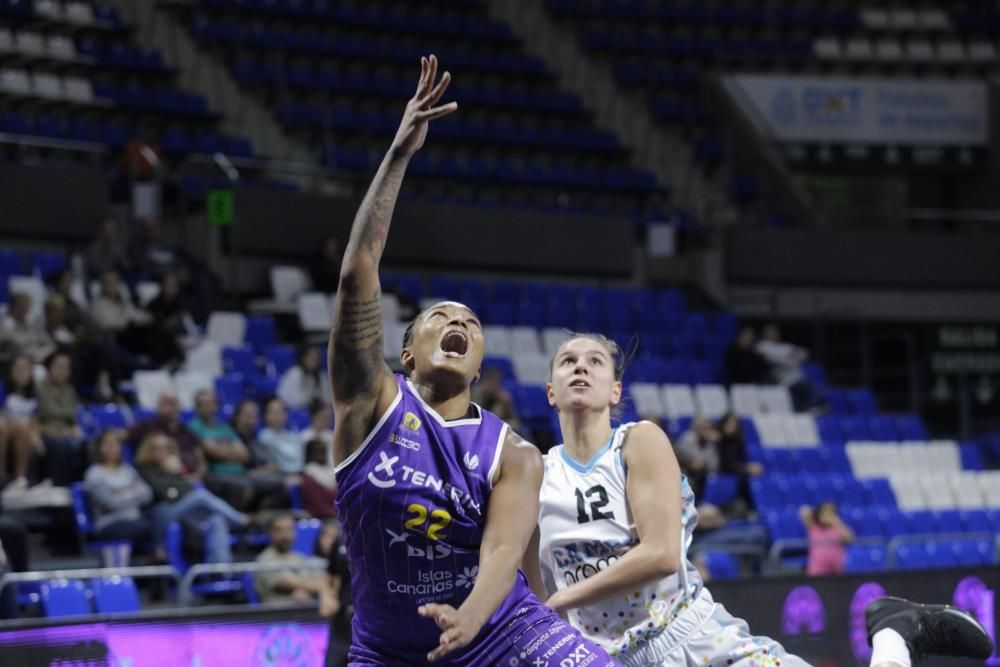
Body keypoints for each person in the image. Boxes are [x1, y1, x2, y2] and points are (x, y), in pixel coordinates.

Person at [328, 55, 614, 666]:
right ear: (405, 354)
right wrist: (399, 154)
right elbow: (358, 273)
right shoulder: (367, 406)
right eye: (441, 316)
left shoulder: (512, 453)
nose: (458, 322)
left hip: (503, 630)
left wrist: (470, 619)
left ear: (479, 368)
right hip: (387, 651)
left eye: (471, 323)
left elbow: (503, 554)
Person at [528, 332, 994, 667]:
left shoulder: (638, 441)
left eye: (595, 360)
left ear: (615, 391)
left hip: (688, 641)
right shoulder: (534, 474)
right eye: (568, 361)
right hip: (599, 657)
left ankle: (894, 632)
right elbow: (533, 586)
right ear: (550, 391)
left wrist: (561, 600)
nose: (581, 366)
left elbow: (661, 554)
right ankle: (896, 635)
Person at [135, 432, 247, 564]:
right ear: (148, 450)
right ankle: (241, 520)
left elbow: (187, 490)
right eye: (157, 448)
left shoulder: (173, 467)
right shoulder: (145, 470)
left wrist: (177, 476)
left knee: (217, 519)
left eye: (166, 448)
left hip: (184, 511)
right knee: (201, 496)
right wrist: (172, 474)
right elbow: (168, 495)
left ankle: (220, 569)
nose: (162, 452)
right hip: (162, 516)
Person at [188, 388, 255, 510]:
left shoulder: (224, 427)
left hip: (241, 473)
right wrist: (230, 450)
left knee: (277, 484)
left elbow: (245, 454)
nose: (208, 408)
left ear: (217, 405)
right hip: (216, 472)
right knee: (243, 486)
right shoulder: (194, 426)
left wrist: (220, 450)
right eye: (204, 405)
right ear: (197, 408)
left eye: (211, 403)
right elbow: (212, 451)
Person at [83, 429, 153, 544]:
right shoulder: (94, 473)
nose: (112, 447)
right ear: (99, 447)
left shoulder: (127, 469)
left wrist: (121, 493)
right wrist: (133, 491)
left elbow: (147, 494)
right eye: (107, 444)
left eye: (116, 444)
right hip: (109, 523)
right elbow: (112, 503)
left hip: (135, 518)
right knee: (151, 528)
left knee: (161, 520)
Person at [254, 513, 332, 604]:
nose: (285, 535)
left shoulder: (300, 557)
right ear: (271, 533)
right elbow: (285, 583)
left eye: (289, 529)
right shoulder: (265, 559)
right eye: (279, 530)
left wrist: (308, 589)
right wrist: (319, 588)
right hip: (278, 614)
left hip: (306, 612)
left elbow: (321, 579)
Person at [36, 351, 85, 486]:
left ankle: (80, 487)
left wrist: (75, 429)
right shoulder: (38, 388)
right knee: (61, 445)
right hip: (44, 432)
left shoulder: (70, 391)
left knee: (87, 443)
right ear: (50, 367)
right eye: (59, 366)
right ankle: (58, 486)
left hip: (66, 432)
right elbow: (33, 420)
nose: (62, 371)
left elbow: (73, 420)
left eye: (66, 367)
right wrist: (52, 431)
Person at [128, 390, 204, 478]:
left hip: (196, 477)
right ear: (158, 405)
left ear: (179, 406)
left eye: (172, 403)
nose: (168, 406)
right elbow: (124, 435)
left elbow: (200, 458)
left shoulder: (186, 430)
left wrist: (198, 476)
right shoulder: (146, 426)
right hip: (166, 477)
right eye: (165, 402)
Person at [756, 323, 824, 412]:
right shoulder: (763, 346)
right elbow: (775, 360)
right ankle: (811, 409)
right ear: (765, 334)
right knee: (811, 388)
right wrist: (790, 357)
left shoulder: (784, 346)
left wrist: (788, 356)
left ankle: (811, 410)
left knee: (815, 388)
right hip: (785, 381)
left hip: (799, 379)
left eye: (774, 332)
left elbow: (805, 353)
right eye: (770, 332)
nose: (773, 334)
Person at [0, 355, 40, 494]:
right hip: (5, 429)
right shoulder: (3, 388)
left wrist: (36, 435)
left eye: (25, 369)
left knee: (25, 428)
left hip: (24, 432)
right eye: (18, 369)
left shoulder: (34, 393)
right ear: (11, 371)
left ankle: (20, 480)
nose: (21, 373)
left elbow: (35, 419)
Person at [316, 519, 351, 667]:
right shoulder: (341, 539)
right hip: (342, 620)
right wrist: (326, 597)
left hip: (371, 622)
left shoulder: (382, 537)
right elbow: (330, 575)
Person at [800, 501, 854, 577]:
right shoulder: (813, 527)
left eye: (831, 512)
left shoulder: (837, 528)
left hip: (837, 568)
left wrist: (835, 521)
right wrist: (818, 512)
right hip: (817, 569)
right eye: (825, 512)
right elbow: (804, 510)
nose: (828, 515)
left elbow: (850, 539)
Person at [0, 292, 56, 364]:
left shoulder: (34, 324)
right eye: (21, 306)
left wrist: (41, 353)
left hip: (38, 361)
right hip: (15, 363)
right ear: (12, 307)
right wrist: (10, 357)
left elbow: (51, 345)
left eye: (27, 307)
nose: (24, 310)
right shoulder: (4, 326)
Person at [673, 416, 719, 499]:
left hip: (702, 474)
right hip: (684, 470)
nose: (707, 431)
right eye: (704, 428)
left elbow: (714, 465)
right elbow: (684, 457)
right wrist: (693, 462)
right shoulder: (687, 438)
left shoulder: (709, 443)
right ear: (697, 428)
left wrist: (716, 443)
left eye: (709, 428)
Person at [257, 397, 305, 476]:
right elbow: (275, 464)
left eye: (282, 411)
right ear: (266, 416)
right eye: (275, 412)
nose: (280, 414)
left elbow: (301, 460)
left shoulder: (294, 436)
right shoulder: (264, 436)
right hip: (281, 474)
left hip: (300, 473)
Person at [277, 345, 331, 410]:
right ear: (304, 358)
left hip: (317, 412)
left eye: (317, 359)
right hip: (296, 410)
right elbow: (283, 396)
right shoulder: (294, 373)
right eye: (312, 358)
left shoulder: (321, 375)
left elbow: (327, 399)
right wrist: (307, 401)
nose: (314, 362)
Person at [470, 366, 521, 433]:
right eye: (491, 382)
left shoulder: (502, 397)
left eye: (497, 382)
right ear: (484, 381)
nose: (494, 385)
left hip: (498, 429)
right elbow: (476, 419)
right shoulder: (475, 394)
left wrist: (506, 404)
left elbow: (515, 421)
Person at [301, 439, 336, 519]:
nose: (322, 454)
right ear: (310, 454)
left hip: (336, 515)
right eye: (319, 452)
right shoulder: (309, 477)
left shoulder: (332, 472)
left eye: (324, 451)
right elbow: (318, 507)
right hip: (320, 517)